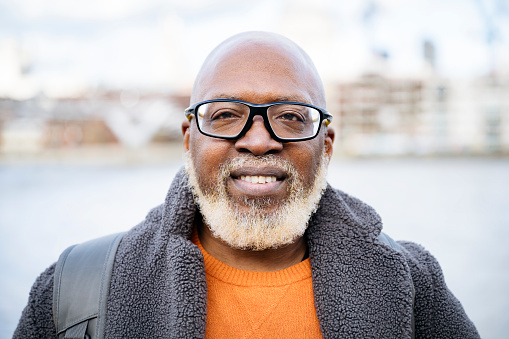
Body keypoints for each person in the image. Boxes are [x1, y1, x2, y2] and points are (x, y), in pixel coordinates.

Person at [14, 31, 479, 338]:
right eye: (225, 116)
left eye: (291, 118)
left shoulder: (415, 289)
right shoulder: (73, 293)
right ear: (189, 138)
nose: (258, 141)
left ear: (328, 145)